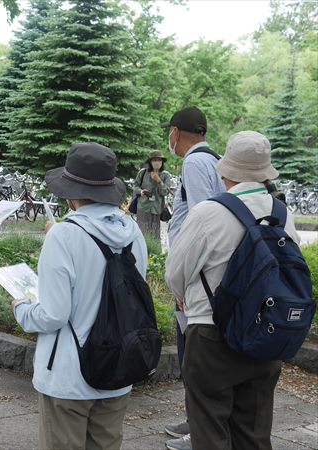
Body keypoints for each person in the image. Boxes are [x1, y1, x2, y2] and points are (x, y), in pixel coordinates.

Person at [165, 131, 298, 450]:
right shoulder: (282, 215)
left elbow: (175, 274)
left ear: (226, 171)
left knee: (210, 430)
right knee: (254, 433)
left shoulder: (209, 213)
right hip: (267, 335)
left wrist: (184, 295)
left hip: (212, 335)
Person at [12, 143, 147, 449]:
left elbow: (53, 315)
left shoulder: (63, 235)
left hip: (68, 377)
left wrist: (21, 308)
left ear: (72, 190)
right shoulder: (133, 231)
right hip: (118, 369)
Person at [161, 106, 224, 450]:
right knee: (193, 355)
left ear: (177, 132)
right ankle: (193, 419)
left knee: (195, 356)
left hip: (196, 278)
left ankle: (199, 432)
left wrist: (187, 282)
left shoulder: (195, 162)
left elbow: (203, 221)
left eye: (169, 132)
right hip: (200, 276)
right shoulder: (212, 158)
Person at [132, 150, 172, 240]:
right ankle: (140, 252)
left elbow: (165, 192)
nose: (157, 162)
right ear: (150, 162)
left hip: (156, 209)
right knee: (141, 234)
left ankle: (154, 253)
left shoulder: (165, 175)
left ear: (162, 162)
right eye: (154, 160)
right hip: (143, 207)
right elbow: (135, 186)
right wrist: (141, 191)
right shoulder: (143, 173)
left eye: (159, 160)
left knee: (154, 236)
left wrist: (159, 181)